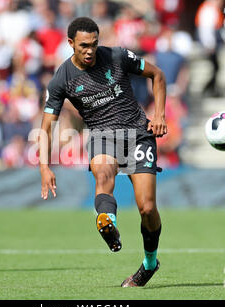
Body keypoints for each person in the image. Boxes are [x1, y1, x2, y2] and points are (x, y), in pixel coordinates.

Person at [39, 17, 167, 287]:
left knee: (147, 208)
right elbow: (47, 124)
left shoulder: (118, 56)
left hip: (138, 135)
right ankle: (107, 223)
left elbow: (157, 75)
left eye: (94, 44)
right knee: (103, 175)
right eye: (84, 45)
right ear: (70, 43)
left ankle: (149, 263)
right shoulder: (61, 80)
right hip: (102, 135)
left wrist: (160, 115)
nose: (90, 50)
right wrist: (44, 165)